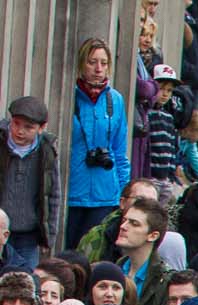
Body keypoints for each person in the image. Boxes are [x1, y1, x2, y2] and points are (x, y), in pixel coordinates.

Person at [66, 40, 130, 250]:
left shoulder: (116, 100)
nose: (98, 68)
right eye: (92, 62)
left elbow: (120, 152)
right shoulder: (69, 95)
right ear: (82, 64)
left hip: (105, 193)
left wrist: (124, 192)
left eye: (103, 63)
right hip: (72, 191)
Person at [3, 96, 59, 272]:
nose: (20, 131)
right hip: (0, 229)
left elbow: (54, 195)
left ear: (41, 128)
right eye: (16, 123)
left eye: (28, 127)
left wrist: (49, 234)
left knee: (26, 280)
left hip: (29, 235)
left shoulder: (46, 152)